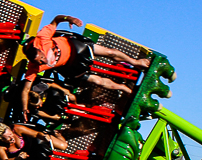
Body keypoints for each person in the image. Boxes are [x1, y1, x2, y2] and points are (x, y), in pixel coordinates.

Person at [19, 15, 150, 120]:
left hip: (76, 48)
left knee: (110, 52)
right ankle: (123, 88)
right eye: (40, 62)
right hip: (70, 66)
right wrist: (25, 108)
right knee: (97, 81)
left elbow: (56, 19)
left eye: (42, 58)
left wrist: (70, 19)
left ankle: (136, 62)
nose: (43, 61)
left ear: (39, 50)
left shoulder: (42, 38)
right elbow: (25, 90)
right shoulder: (34, 67)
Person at [0, 123, 67, 160]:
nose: (12, 137)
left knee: (64, 146)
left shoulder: (17, 129)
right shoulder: (0, 147)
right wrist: (17, 158)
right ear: (2, 139)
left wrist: (44, 136)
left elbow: (36, 134)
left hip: (36, 144)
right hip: (30, 158)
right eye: (8, 138)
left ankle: (57, 134)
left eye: (11, 134)